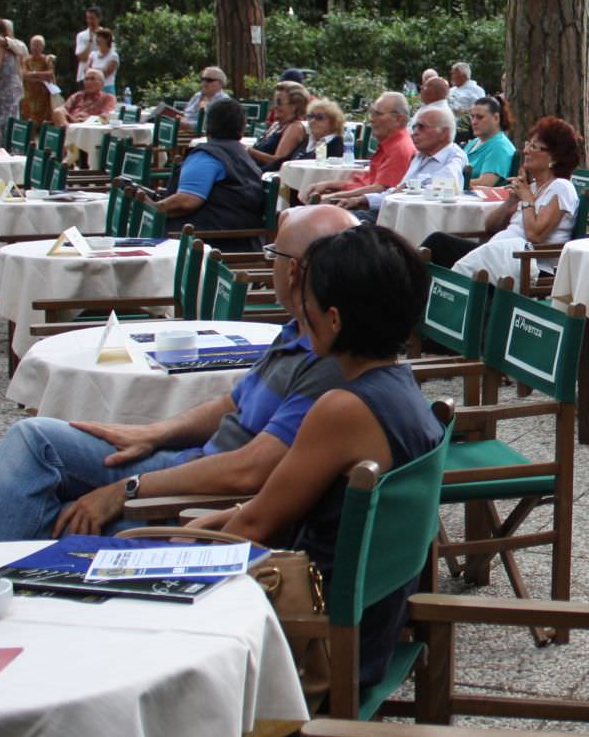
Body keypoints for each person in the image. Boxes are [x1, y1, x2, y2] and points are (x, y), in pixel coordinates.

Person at [0, 203, 361, 545]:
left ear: (293, 271)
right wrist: (153, 433)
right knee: (35, 441)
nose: (267, 263)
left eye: (274, 255)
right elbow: (233, 403)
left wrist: (124, 490)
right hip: (189, 462)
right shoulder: (300, 327)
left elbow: (249, 472)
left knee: (43, 516)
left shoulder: (327, 361)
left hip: (204, 501)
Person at [187, 223, 443, 691]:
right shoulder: (401, 387)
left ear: (334, 320)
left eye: (307, 300)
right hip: (366, 629)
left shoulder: (343, 407)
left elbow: (254, 529)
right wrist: (227, 516)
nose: (299, 312)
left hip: (312, 648)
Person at [429, 118, 582, 284]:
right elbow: (491, 227)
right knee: (437, 243)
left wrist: (526, 200)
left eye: (534, 147)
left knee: (439, 248)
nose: (526, 151)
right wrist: (511, 201)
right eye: (527, 144)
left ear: (553, 157)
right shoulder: (532, 187)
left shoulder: (561, 188)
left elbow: (535, 236)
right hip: (501, 258)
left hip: (529, 266)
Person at [155, 98, 268, 244]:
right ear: (242, 128)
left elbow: (187, 202)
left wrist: (150, 208)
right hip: (245, 237)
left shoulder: (207, 155)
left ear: (207, 125)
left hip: (211, 241)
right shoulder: (243, 155)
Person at [303, 92, 414, 205]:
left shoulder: (400, 148)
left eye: (378, 114)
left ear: (398, 119)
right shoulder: (389, 144)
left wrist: (334, 196)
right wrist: (328, 185)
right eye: (372, 113)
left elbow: (381, 190)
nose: (372, 119)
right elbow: (366, 183)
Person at [360, 103, 465, 214]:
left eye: (422, 127)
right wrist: (363, 199)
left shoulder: (455, 156)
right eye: (414, 127)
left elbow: (443, 184)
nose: (414, 133)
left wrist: (407, 187)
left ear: (444, 133)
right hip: (397, 213)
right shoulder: (420, 155)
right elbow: (397, 192)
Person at [247, 83, 311, 170]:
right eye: (274, 102)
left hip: (262, 177)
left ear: (294, 106)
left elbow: (277, 161)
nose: (274, 106)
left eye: (279, 102)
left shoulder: (294, 127)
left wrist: (249, 151)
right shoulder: (277, 124)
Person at [463, 95, 516, 186]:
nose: (474, 122)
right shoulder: (473, 143)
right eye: (472, 117)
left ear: (496, 118)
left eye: (480, 117)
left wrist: (451, 183)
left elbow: (485, 183)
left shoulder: (499, 147)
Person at [18, 34, 59, 125]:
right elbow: (24, 74)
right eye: (34, 45)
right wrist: (40, 77)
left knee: (44, 117)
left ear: (43, 47)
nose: (36, 48)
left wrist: (33, 74)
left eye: (38, 45)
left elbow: (50, 74)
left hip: (43, 93)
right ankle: (30, 137)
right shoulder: (26, 59)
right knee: (28, 117)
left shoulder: (47, 59)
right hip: (29, 93)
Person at [82, 27, 119, 93]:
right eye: (97, 37)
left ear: (106, 39)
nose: (97, 39)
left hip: (107, 88)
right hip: (92, 89)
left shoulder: (113, 56)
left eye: (99, 37)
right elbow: (86, 70)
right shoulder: (93, 54)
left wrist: (92, 72)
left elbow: (105, 73)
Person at [73, 7, 107, 76]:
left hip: (102, 76)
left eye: (92, 18)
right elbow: (81, 58)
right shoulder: (81, 35)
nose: (89, 21)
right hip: (84, 76)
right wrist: (90, 40)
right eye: (88, 18)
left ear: (99, 19)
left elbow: (110, 56)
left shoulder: (107, 35)